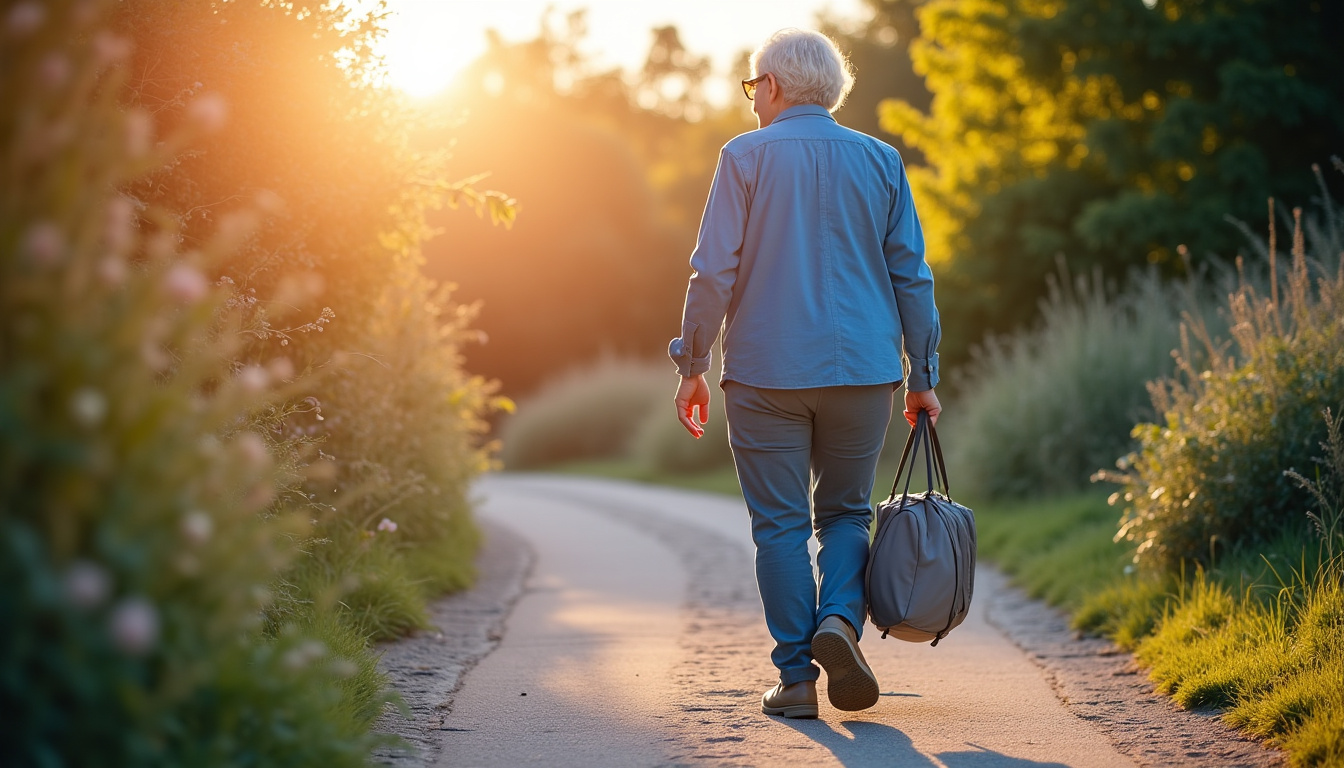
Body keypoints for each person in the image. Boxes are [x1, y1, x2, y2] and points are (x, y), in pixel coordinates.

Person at [667, 28, 942, 719]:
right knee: (848, 513)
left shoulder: (744, 156)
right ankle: (838, 624)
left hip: (765, 374)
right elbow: (912, 273)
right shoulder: (881, 159)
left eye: (754, 86)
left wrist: (693, 362)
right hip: (863, 372)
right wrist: (922, 374)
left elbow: (711, 271)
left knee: (780, 528)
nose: (753, 99)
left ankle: (796, 682)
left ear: (776, 87)